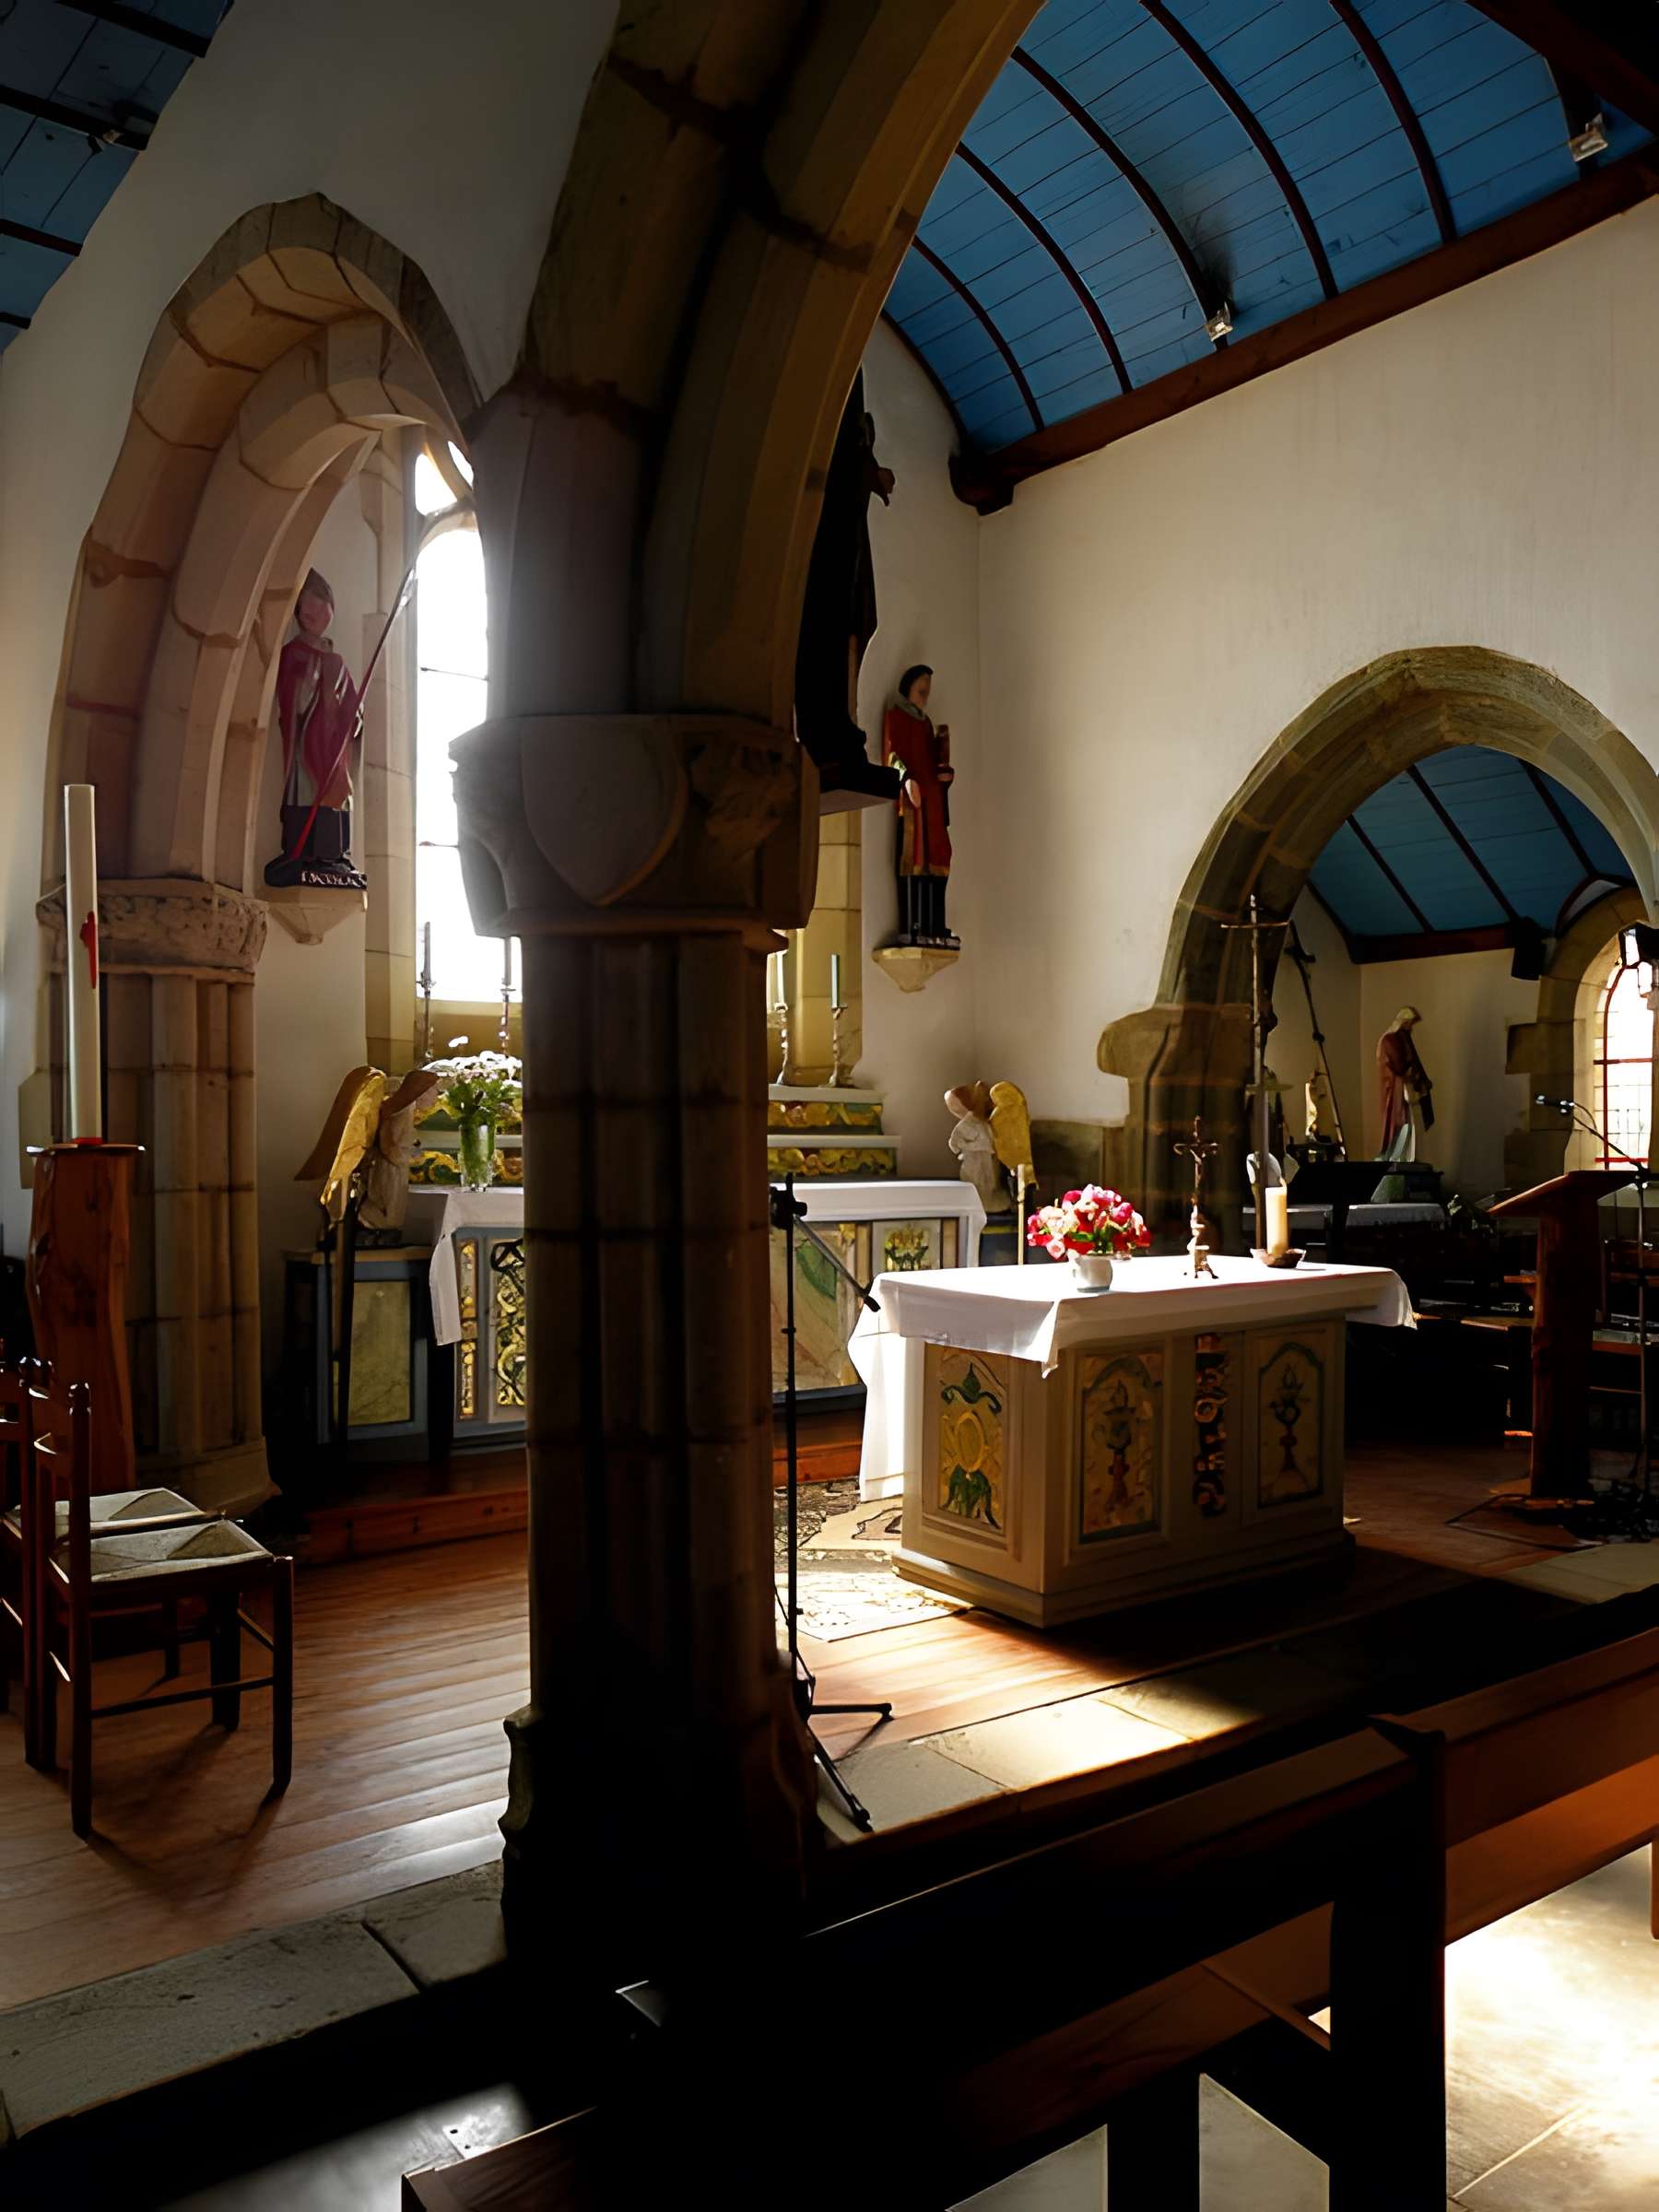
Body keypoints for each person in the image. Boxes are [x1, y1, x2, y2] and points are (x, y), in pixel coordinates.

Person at [264, 568, 368, 890]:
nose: (315, 614)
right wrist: (311, 680)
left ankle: (334, 855)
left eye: (322, 607)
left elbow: (353, 706)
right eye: (308, 608)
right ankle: (304, 853)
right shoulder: (293, 654)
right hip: (306, 744)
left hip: (335, 748)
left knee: (339, 795)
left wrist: (355, 717)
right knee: (306, 791)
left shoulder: (337, 661)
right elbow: (293, 700)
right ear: (298, 613)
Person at [885, 664, 955, 942]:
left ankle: (935, 926)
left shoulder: (925, 724)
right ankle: (913, 925)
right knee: (913, 860)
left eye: (927, 693)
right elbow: (891, 755)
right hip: (913, 803)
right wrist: (905, 779)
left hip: (932, 803)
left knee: (938, 857)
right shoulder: (896, 716)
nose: (925, 698)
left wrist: (945, 776)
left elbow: (933, 761)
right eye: (921, 692)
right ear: (908, 689)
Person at [1378, 1006, 1433, 1159]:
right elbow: (1399, 1066)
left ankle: (1410, 1157)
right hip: (1398, 1091)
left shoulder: (1403, 1039)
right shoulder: (1390, 1040)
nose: (1410, 1028)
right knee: (1400, 1126)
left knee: (1412, 1126)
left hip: (1407, 1091)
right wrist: (1410, 1071)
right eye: (1409, 1024)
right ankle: (1401, 1158)